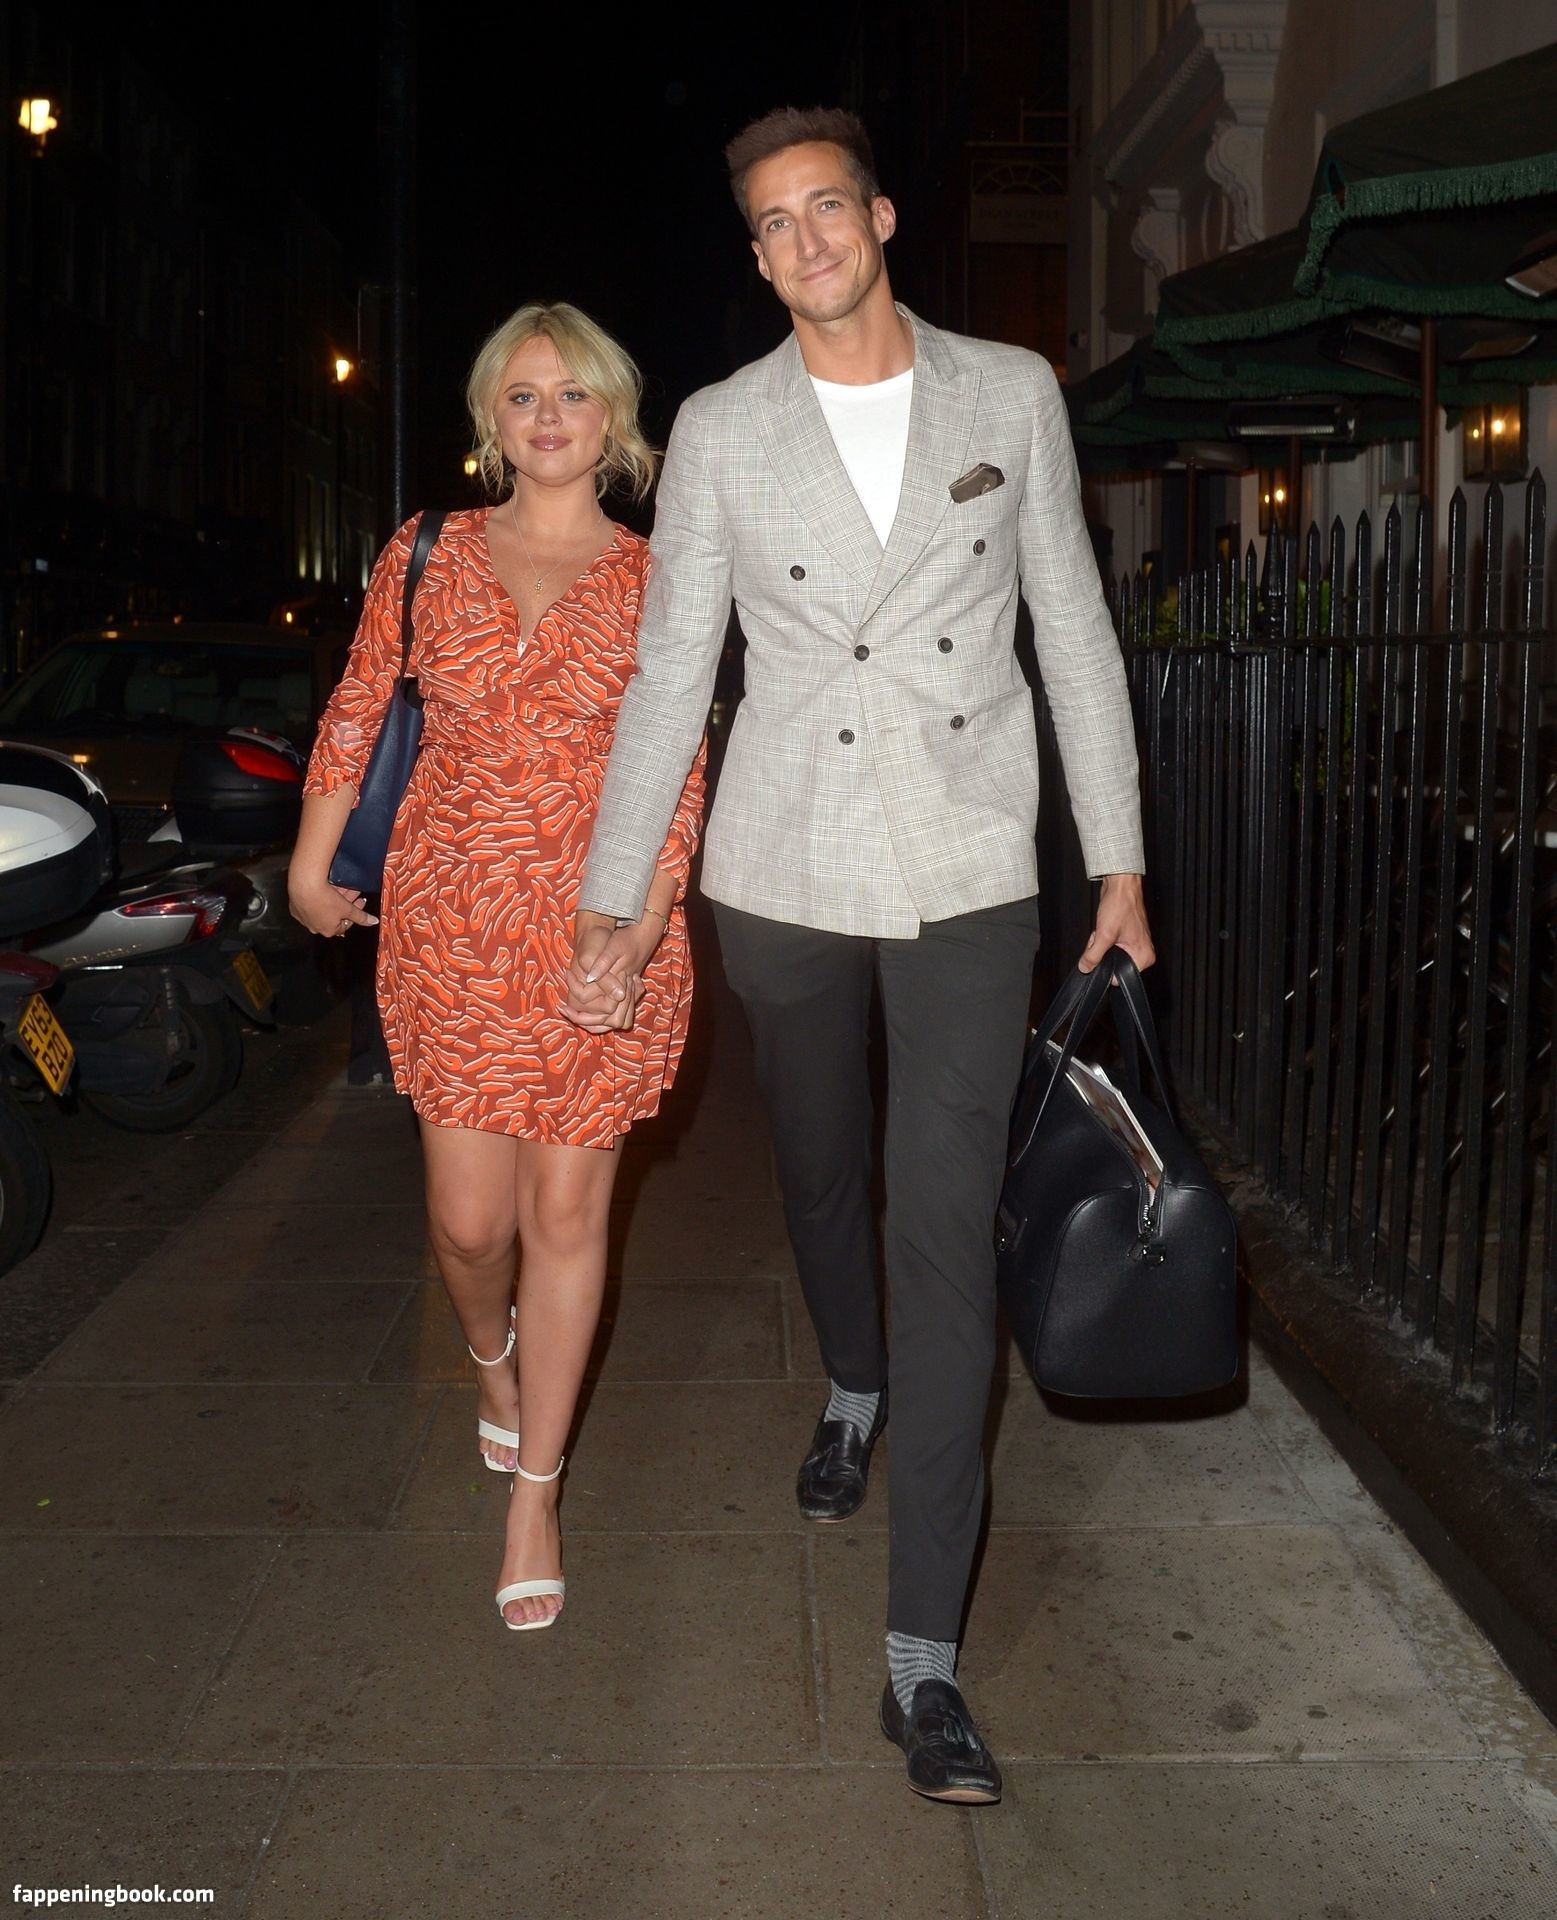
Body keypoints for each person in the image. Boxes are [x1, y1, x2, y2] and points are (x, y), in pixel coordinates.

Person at [566, 108, 1152, 1801]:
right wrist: (615, 892)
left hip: (968, 853)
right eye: (772, 221)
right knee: (821, 1165)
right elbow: (673, 666)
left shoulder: (1007, 391)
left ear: (881, 216)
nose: (805, 237)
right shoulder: (722, 426)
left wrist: (1115, 856)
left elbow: (1071, 624)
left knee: (942, 1221)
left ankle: (921, 1662)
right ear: (755, 258)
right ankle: (851, 1377)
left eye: (826, 205)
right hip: (786, 859)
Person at [289, 302, 705, 1632]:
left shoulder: (661, 577)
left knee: (565, 1218)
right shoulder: (427, 552)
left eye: (572, 395)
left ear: (612, 418)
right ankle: (491, 1361)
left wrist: (640, 927)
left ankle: (537, 1493)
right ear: (488, 419)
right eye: (522, 396)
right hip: (450, 925)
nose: (547, 418)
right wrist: (310, 861)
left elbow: (681, 767)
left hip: (594, 928)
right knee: (470, 1227)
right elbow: (358, 706)